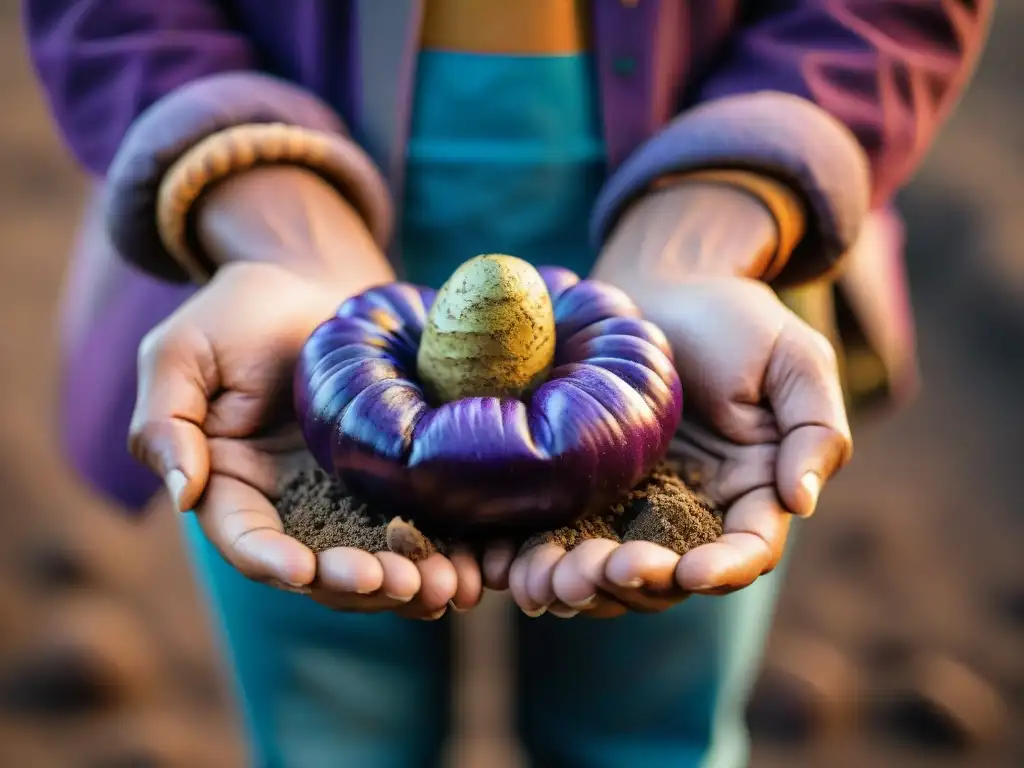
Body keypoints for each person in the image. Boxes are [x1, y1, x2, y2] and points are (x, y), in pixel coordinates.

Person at [25, 1, 992, 766]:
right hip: (286, 289)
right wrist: (271, 221)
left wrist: (718, 216)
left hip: (690, 287)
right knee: (328, 726)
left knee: (650, 726)